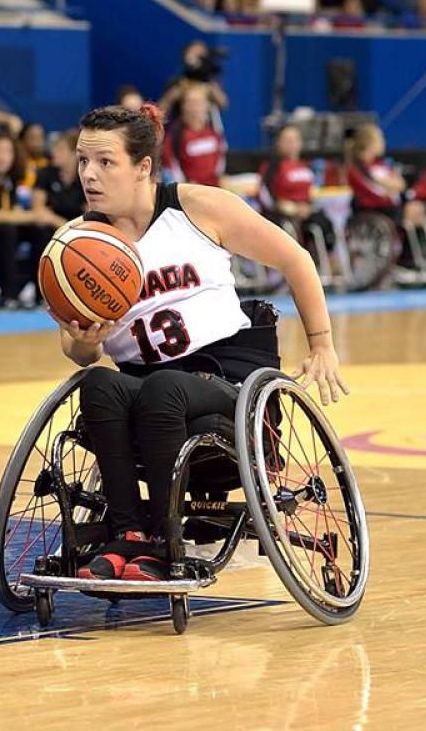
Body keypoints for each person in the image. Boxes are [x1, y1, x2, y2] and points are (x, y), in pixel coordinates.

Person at [55, 103, 346, 582]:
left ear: (142, 166)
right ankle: (129, 534)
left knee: (165, 386)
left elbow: (296, 260)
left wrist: (322, 343)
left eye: (105, 162)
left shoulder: (198, 208)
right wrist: (87, 343)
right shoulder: (76, 243)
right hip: (144, 384)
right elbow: (78, 351)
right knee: (99, 385)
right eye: (83, 161)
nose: (89, 174)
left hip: (226, 377)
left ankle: (166, 543)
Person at [0, 133, 51, 308]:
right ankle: (8, 295)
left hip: (6, 229)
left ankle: (42, 294)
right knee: (6, 230)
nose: (2, 157)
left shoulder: (10, 179)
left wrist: (32, 218)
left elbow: (13, 210)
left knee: (40, 231)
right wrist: (32, 215)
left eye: (8, 152)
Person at [258, 125, 335, 255]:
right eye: (287, 140)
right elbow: (266, 197)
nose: (292, 144)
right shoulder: (271, 168)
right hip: (282, 214)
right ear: (279, 143)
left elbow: (313, 193)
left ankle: (322, 263)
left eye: (295, 140)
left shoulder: (307, 167)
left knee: (323, 223)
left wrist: (309, 208)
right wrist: (289, 208)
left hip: (306, 213)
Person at [162, 85, 226, 186]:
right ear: (183, 106)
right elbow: (170, 168)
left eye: (199, 102)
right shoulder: (175, 136)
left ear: (207, 105)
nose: (195, 108)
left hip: (215, 190)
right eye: (191, 103)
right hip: (190, 191)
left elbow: (221, 157)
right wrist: (186, 186)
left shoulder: (214, 130)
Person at [31, 130, 84, 228]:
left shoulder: (84, 176)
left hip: (78, 227)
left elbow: (90, 212)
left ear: (74, 154)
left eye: (60, 149)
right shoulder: (45, 173)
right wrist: (63, 225)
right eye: (54, 148)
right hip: (52, 226)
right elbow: (37, 209)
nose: (54, 153)